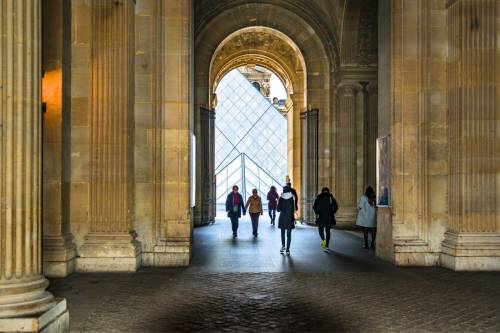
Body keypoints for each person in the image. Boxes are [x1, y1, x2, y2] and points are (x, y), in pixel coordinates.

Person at [313, 187, 338, 251]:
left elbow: (315, 206)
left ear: (322, 191)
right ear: (328, 191)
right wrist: (332, 212)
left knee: (320, 230)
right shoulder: (331, 197)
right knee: (328, 231)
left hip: (321, 216)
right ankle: (327, 245)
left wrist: (318, 212)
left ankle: (323, 240)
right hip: (329, 216)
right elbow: (335, 206)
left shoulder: (319, 197)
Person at [277, 185, 297, 255]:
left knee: (282, 233)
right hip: (289, 218)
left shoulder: (281, 198)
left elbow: (278, 209)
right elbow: (293, 209)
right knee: (289, 234)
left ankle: (283, 247)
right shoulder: (292, 198)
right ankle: (288, 249)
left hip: (282, 218)